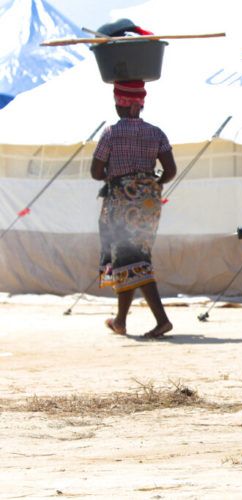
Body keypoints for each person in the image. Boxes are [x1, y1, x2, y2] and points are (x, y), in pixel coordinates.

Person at [91, 80, 177, 339]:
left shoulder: (111, 133)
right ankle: (120, 321)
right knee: (129, 257)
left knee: (132, 259)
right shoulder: (156, 133)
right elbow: (170, 170)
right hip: (149, 202)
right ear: (140, 105)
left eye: (118, 103)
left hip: (121, 201)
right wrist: (150, 184)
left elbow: (96, 172)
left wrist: (118, 178)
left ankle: (162, 320)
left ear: (123, 105)